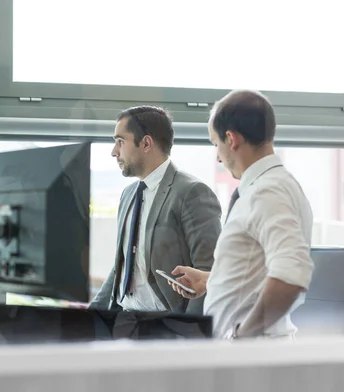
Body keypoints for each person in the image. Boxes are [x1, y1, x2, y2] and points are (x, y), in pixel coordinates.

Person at [168, 90, 314, 339]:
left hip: (254, 352)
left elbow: (291, 274)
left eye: (216, 144)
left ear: (231, 139)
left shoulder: (268, 192)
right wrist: (211, 280)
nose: (218, 157)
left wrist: (243, 336)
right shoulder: (271, 186)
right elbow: (258, 268)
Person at [89, 106, 222, 314]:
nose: (114, 152)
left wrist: (191, 333)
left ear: (146, 143)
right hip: (125, 320)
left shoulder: (192, 193)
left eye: (120, 142)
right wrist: (89, 316)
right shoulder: (128, 195)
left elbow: (209, 271)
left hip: (167, 329)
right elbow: (122, 267)